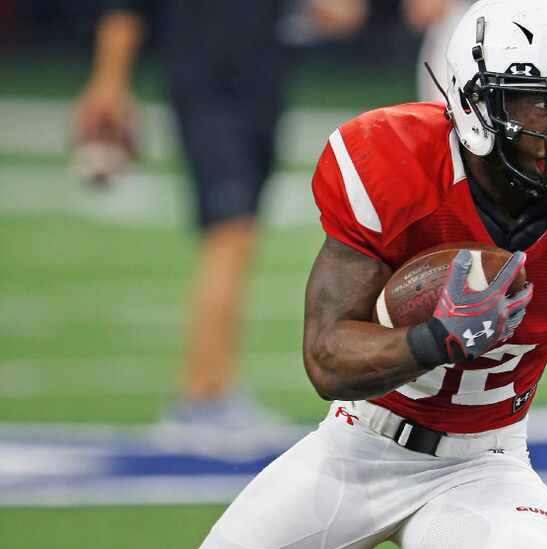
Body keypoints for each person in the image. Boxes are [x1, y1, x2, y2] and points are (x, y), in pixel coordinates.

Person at [197, 0, 547, 549]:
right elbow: (326, 356)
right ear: (475, 102)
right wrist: (436, 339)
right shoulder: (392, 159)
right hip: (357, 446)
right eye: (542, 102)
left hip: (487, 465)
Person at [72, 0, 367, 439]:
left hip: (261, 84)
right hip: (208, 83)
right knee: (229, 233)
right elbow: (126, 8)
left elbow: (334, 14)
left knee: (238, 232)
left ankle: (214, 388)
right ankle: (203, 393)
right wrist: (109, 82)